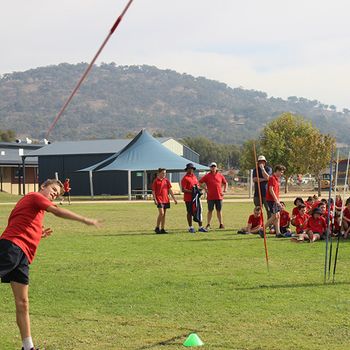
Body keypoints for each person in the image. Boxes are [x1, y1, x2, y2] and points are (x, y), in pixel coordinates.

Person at [0, 179, 100, 350]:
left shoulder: (35, 206)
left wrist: (38, 234)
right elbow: (56, 211)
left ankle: (28, 347)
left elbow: (20, 222)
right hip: (12, 247)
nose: (54, 194)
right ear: (43, 187)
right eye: (53, 189)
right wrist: (84, 219)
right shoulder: (34, 197)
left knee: (23, 302)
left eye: (57, 193)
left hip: (23, 255)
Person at [199, 162, 228, 230]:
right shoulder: (207, 176)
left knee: (219, 210)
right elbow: (199, 182)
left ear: (216, 167)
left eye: (214, 166)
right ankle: (208, 224)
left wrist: (225, 190)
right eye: (212, 166)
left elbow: (225, 183)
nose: (213, 167)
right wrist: (205, 188)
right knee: (210, 210)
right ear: (210, 168)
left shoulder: (220, 175)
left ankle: (221, 224)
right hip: (210, 197)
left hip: (219, 196)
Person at [181, 163, 207, 233]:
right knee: (189, 212)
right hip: (188, 199)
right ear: (187, 169)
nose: (191, 170)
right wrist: (192, 192)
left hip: (196, 198)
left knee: (198, 211)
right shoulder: (185, 178)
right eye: (190, 168)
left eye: (192, 168)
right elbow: (183, 189)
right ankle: (190, 227)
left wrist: (198, 190)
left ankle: (200, 227)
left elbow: (197, 186)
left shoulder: (194, 177)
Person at [152, 168, 178, 234]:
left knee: (164, 215)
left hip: (166, 199)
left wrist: (174, 199)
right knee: (161, 213)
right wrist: (155, 199)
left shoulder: (166, 180)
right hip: (159, 199)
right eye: (163, 173)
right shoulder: (156, 181)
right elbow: (153, 191)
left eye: (165, 173)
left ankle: (163, 229)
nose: (164, 174)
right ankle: (157, 227)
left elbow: (170, 190)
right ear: (159, 173)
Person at [264, 164, 286, 238]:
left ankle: (278, 233)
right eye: (281, 172)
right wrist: (276, 200)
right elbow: (271, 189)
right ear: (277, 171)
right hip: (271, 200)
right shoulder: (272, 178)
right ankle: (262, 229)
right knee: (274, 216)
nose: (281, 174)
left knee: (278, 216)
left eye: (282, 172)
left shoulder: (276, 179)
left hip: (275, 200)